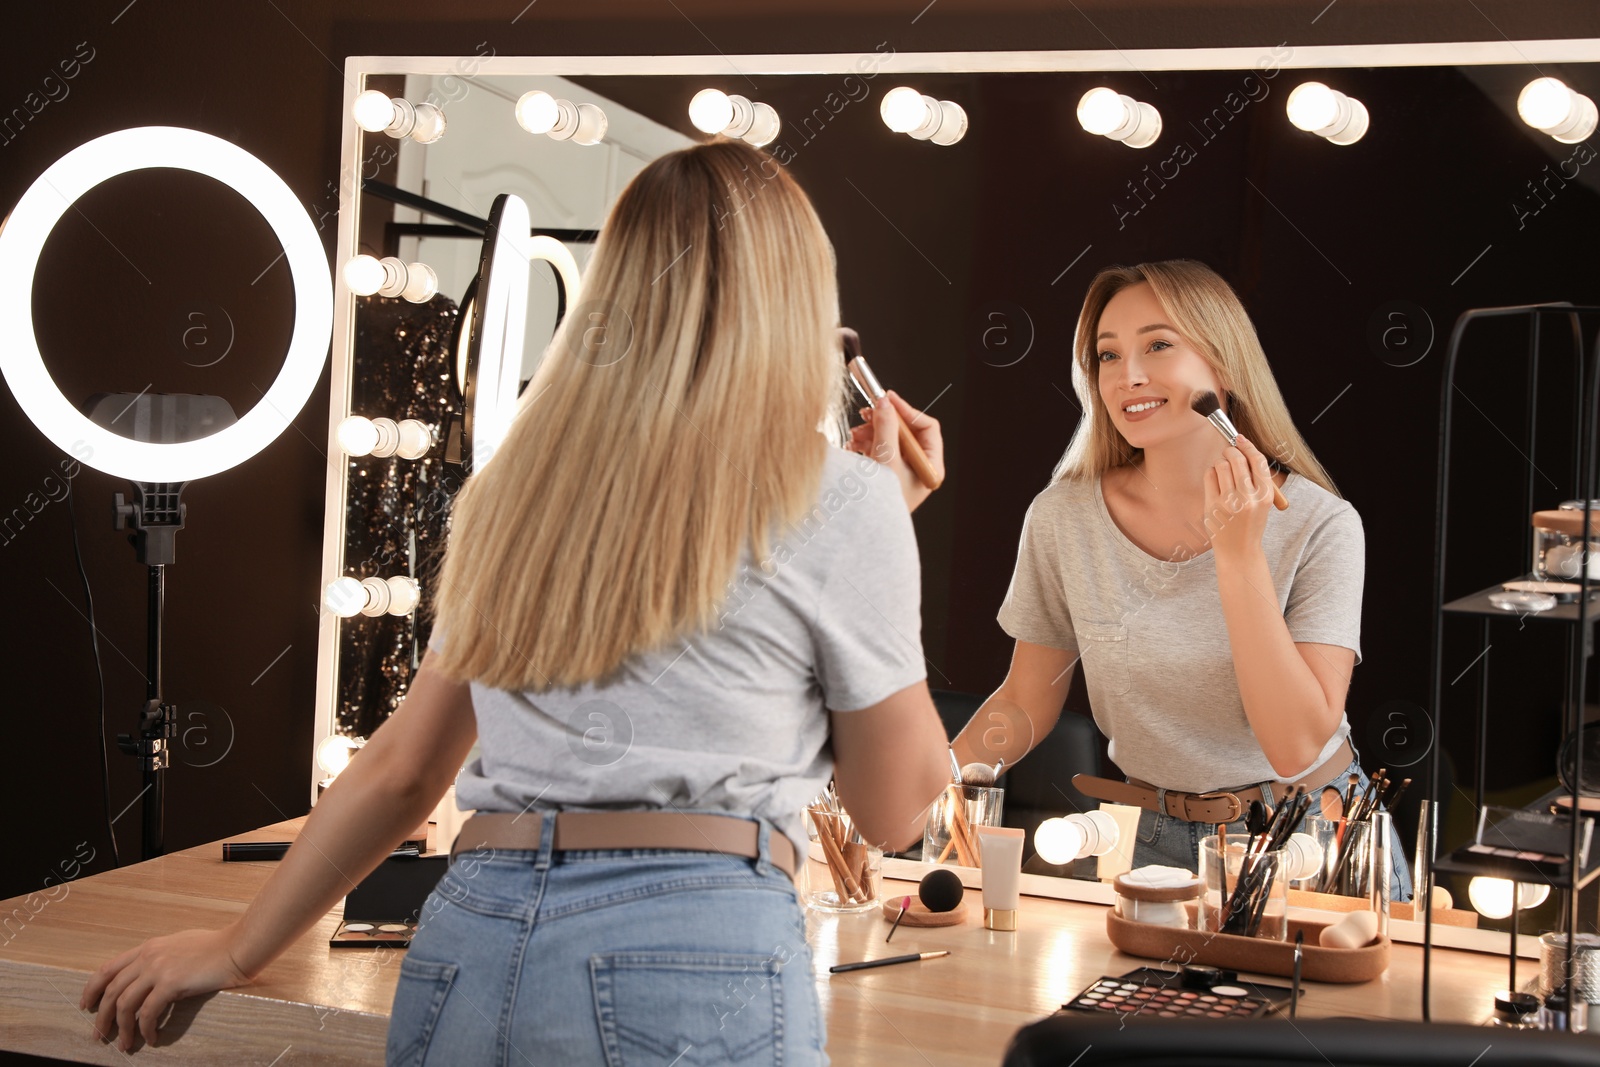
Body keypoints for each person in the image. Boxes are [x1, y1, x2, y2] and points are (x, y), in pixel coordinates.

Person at [78, 139, 952, 1062]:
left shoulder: (517, 491)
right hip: (695, 954)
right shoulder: (845, 500)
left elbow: (405, 770)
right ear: (796, 304)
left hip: (472, 940)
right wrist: (885, 521)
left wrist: (236, 946)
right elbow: (895, 808)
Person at [943, 260, 1411, 899]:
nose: (1128, 375)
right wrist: (937, 783)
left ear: (1224, 365)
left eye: (1158, 345)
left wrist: (1239, 557)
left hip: (1307, 837)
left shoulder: (1321, 525)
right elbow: (1027, 699)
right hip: (1144, 839)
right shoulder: (1062, 516)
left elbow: (1295, 746)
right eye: (1107, 356)